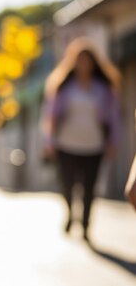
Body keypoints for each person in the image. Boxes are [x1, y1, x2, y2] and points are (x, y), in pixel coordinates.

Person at [41, 37, 121, 242]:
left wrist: (113, 141)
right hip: (66, 143)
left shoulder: (103, 88)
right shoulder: (63, 87)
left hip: (94, 144)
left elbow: (113, 117)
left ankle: (85, 225)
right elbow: (50, 117)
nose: (83, 64)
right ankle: (70, 214)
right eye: (80, 60)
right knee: (67, 184)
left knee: (89, 186)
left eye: (87, 60)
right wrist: (49, 142)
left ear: (93, 62)